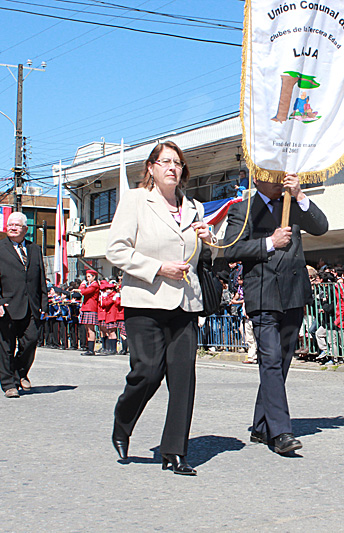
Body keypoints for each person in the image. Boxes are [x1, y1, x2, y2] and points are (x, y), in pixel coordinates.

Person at [106, 141, 215, 476]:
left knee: (183, 379)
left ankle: (174, 451)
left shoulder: (193, 206)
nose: (172, 167)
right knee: (147, 372)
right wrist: (158, 268)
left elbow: (203, 256)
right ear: (151, 168)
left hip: (185, 302)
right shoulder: (136, 200)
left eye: (178, 163)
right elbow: (116, 250)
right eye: (165, 161)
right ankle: (123, 420)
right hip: (146, 300)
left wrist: (208, 239)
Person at [223, 172, 328, 455]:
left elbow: (321, 227)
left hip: (293, 293)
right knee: (269, 361)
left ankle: (261, 426)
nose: (278, 180)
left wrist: (300, 195)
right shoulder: (243, 209)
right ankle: (281, 431)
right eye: (271, 176)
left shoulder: (291, 204)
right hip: (263, 293)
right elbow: (230, 249)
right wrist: (270, 242)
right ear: (257, 179)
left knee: (280, 363)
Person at [0, 212, 48, 399]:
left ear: (25, 229)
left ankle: (20, 372)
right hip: (6, 306)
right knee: (5, 347)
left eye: (17, 225)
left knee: (31, 341)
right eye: (10, 225)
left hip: (31, 305)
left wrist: (44, 303)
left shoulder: (34, 249)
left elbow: (40, 277)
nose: (12, 228)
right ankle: (8, 384)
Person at [78, 270, 100, 356]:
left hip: (91, 308)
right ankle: (89, 348)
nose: (87, 279)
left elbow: (84, 292)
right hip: (86, 308)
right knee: (87, 329)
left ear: (94, 277)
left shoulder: (94, 285)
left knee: (91, 329)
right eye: (87, 277)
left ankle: (91, 350)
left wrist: (82, 285)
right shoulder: (90, 285)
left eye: (89, 276)